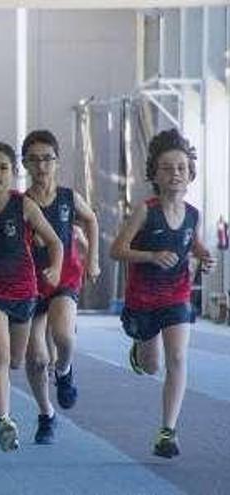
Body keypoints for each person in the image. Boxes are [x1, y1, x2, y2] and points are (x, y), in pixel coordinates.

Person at [110, 128, 213, 459]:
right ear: (155, 173)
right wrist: (151, 256)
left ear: (190, 174)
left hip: (176, 296)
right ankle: (139, 349)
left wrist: (204, 256)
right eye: (167, 168)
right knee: (151, 365)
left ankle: (167, 430)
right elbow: (117, 250)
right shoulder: (145, 210)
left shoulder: (193, 214)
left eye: (181, 168)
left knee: (179, 357)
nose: (175, 174)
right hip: (143, 300)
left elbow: (191, 243)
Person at [0, 141, 62, 452]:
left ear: (14, 173)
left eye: (3, 167)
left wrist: (56, 268)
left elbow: (55, 242)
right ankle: (3, 420)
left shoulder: (24, 206)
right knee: (1, 357)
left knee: (16, 360)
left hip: (23, 291)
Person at [22, 130, 100, 427]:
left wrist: (91, 259)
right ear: (25, 165)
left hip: (65, 276)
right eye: (34, 160)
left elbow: (91, 219)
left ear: (56, 162)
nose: (41, 166)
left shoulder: (68, 198)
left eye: (47, 159)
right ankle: (46, 413)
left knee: (64, 336)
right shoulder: (21, 202)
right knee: (37, 358)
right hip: (30, 284)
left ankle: (65, 371)